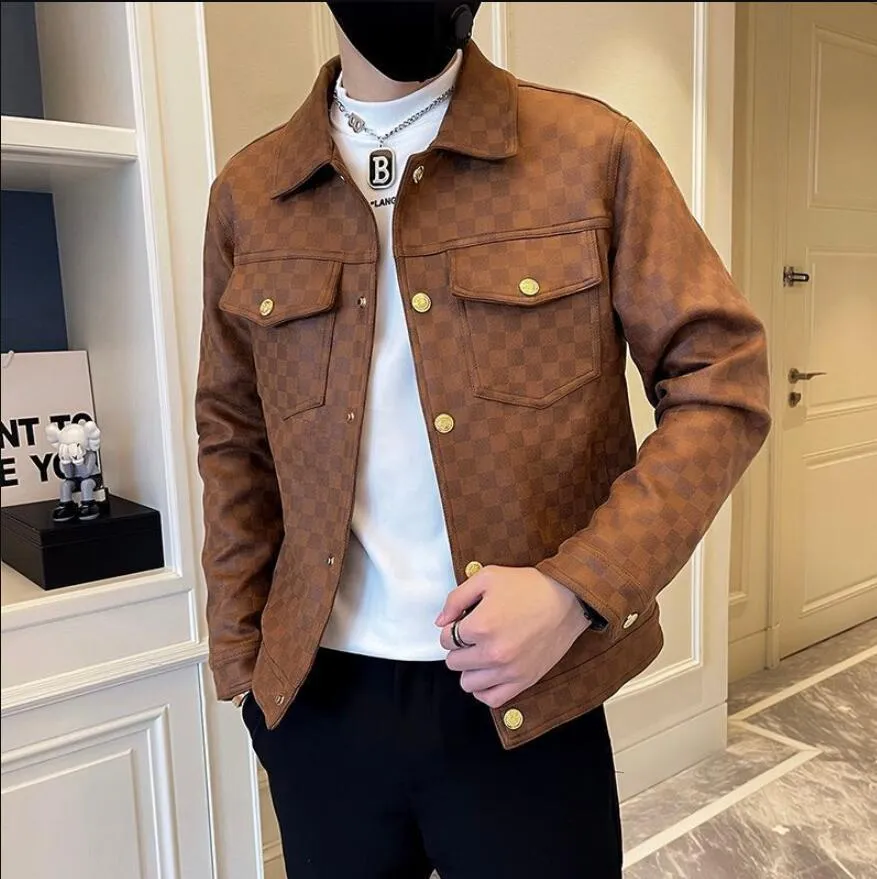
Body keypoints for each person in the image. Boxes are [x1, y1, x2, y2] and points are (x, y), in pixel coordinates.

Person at [195, 3, 771, 876]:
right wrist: (242, 659)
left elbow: (721, 380)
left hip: (526, 693)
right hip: (316, 697)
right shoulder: (251, 192)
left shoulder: (589, 152)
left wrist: (577, 589)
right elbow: (233, 432)